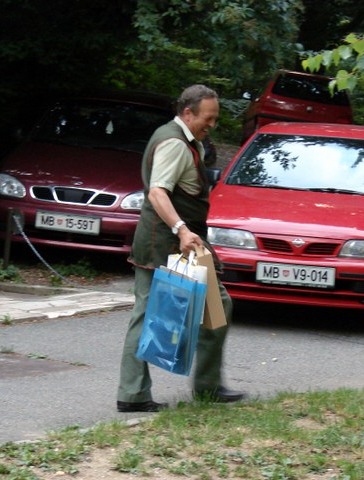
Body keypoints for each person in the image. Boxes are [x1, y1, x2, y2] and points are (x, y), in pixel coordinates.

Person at [116, 85, 245, 413]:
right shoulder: (174, 141)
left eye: (215, 118)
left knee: (216, 307)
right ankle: (132, 395)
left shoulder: (186, 139)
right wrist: (181, 229)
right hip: (166, 240)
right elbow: (157, 192)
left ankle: (208, 386)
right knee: (145, 316)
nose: (212, 124)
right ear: (188, 113)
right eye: (208, 118)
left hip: (186, 241)